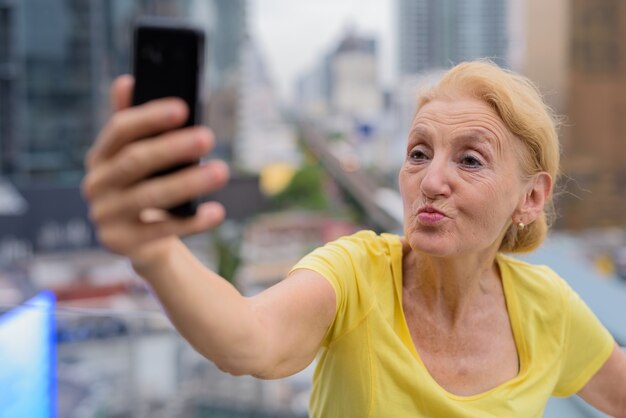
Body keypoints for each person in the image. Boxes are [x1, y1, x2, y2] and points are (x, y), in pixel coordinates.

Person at [81, 60, 626, 417]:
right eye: (418, 153)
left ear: (530, 199)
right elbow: (248, 338)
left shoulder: (546, 306)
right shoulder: (357, 273)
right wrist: (154, 253)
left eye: (470, 159)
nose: (431, 181)